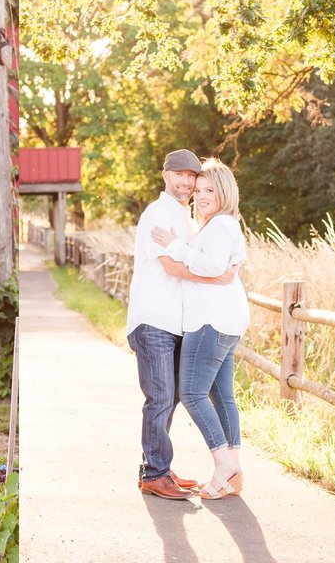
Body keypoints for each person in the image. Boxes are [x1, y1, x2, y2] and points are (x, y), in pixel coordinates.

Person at [126, 149, 232, 500]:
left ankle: (156, 468)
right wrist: (217, 278)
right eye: (180, 175)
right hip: (153, 319)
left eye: (192, 176)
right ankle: (155, 473)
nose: (187, 182)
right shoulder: (157, 213)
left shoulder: (185, 218)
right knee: (159, 397)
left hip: (174, 323)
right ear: (165, 175)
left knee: (169, 397)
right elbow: (172, 267)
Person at [152, 157, 249, 500]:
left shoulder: (221, 225)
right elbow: (217, 267)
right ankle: (233, 471)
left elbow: (213, 266)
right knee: (222, 395)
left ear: (225, 192)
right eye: (199, 190)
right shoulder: (218, 226)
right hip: (225, 319)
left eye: (210, 190)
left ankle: (222, 462)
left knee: (191, 391)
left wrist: (174, 246)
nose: (201, 195)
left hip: (211, 321)